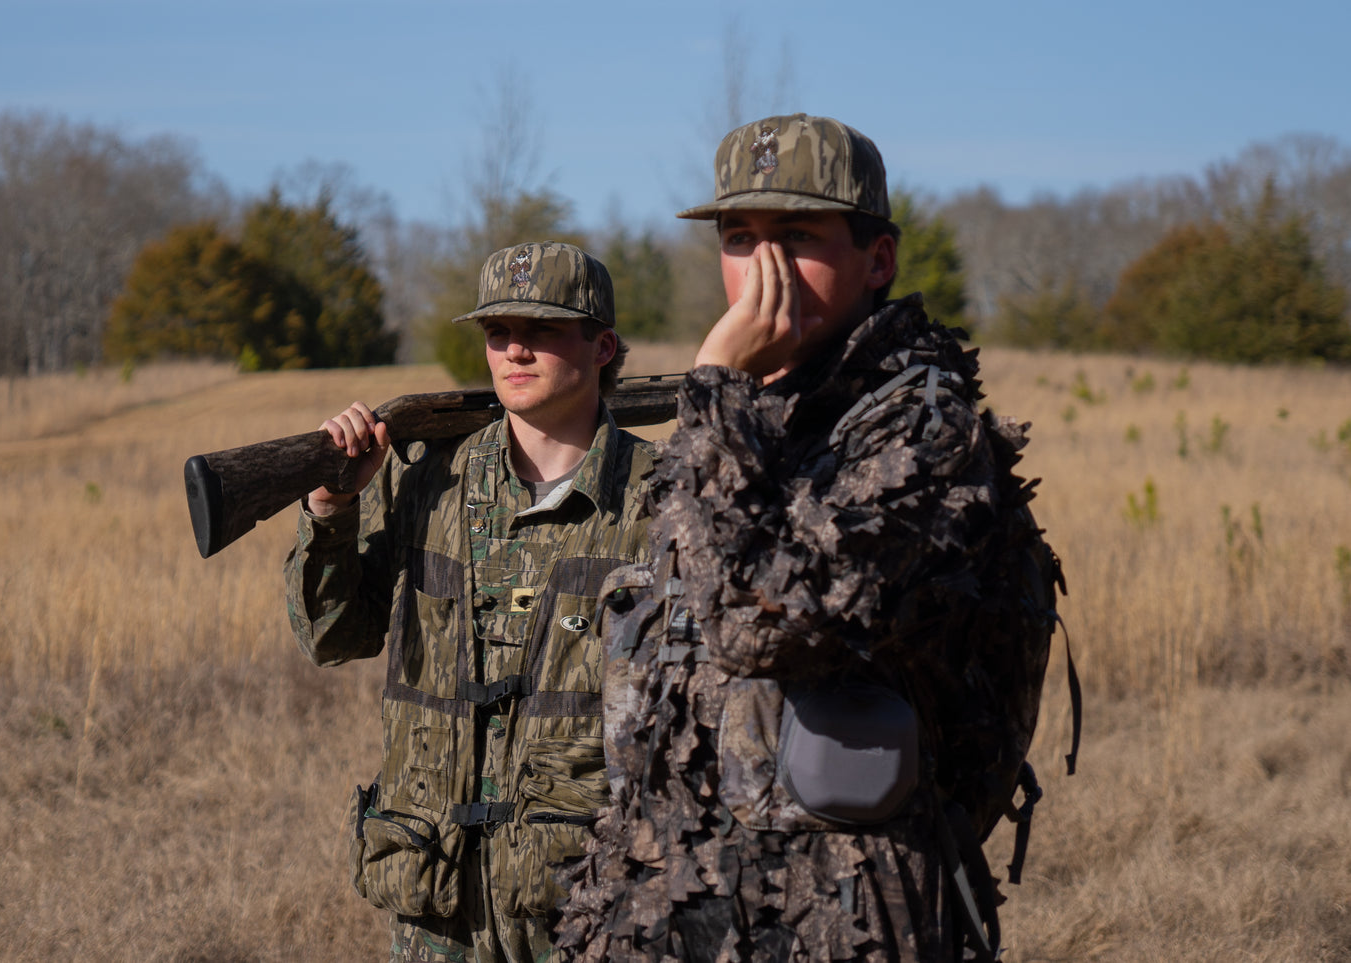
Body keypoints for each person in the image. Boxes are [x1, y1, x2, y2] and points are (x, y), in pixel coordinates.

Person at [556, 114, 1066, 961]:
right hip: (682, 900)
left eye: (797, 236)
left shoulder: (922, 432)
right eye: (740, 237)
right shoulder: (747, 417)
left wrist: (715, 385)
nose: (765, 267)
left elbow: (760, 625)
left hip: (847, 916)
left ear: (878, 259)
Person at [284, 241, 657, 963]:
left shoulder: (657, 497)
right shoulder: (431, 482)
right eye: (496, 332)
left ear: (602, 344)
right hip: (436, 903)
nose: (514, 348)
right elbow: (331, 636)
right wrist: (330, 512)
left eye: (542, 328)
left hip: (584, 908)